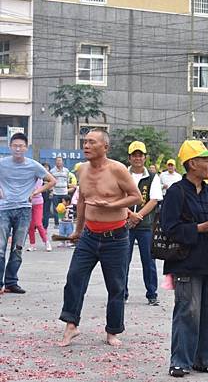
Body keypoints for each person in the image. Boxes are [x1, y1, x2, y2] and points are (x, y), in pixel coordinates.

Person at [58, 129, 142, 347]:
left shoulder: (118, 170)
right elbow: (82, 202)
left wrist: (112, 204)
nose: (86, 145)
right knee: (74, 278)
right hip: (89, 236)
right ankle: (71, 325)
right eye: (85, 142)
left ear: (105, 147)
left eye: (92, 142)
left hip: (116, 237)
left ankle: (112, 331)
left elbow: (137, 197)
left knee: (116, 286)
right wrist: (78, 230)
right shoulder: (82, 169)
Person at [160, 140, 208, 377]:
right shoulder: (176, 192)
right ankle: (180, 361)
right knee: (188, 310)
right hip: (186, 261)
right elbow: (169, 228)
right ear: (192, 164)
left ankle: (203, 359)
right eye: (205, 159)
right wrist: (199, 228)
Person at [0, 133, 56, 295]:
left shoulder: (33, 165)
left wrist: (36, 192)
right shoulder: (2, 163)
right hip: (4, 209)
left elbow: (52, 181)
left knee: (17, 248)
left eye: (21, 146)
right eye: (15, 145)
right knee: (1, 248)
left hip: (24, 209)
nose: (18, 148)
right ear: (10, 147)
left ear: (26, 148)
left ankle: (11, 282)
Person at [125, 141, 163, 305]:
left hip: (146, 225)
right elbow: (117, 197)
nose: (137, 158)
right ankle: (121, 292)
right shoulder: (123, 174)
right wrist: (129, 215)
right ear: (129, 158)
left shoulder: (153, 177)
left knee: (148, 260)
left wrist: (137, 215)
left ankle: (151, 293)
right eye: (134, 155)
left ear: (145, 157)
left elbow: (154, 200)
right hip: (124, 224)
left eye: (140, 155)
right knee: (121, 261)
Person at [27, 178, 52, 252]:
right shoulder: (26, 176)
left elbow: (36, 189)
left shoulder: (39, 179)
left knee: (38, 223)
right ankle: (32, 244)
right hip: (28, 202)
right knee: (30, 225)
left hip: (38, 202)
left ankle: (46, 242)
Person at [50, 157, 75, 227]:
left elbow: (67, 181)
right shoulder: (52, 171)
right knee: (56, 209)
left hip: (64, 192)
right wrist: (51, 191)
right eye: (57, 161)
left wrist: (67, 188)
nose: (58, 162)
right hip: (56, 193)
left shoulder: (66, 171)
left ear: (62, 162)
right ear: (55, 162)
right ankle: (56, 223)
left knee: (65, 208)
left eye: (60, 161)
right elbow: (51, 182)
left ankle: (64, 222)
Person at [41, 163, 52, 230]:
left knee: (46, 211)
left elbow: (53, 185)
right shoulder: (39, 175)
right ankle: (38, 226)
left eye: (47, 167)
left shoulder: (50, 176)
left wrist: (52, 192)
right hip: (40, 194)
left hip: (48, 194)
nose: (45, 168)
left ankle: (45, 226)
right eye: (44, 167)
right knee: (40, 211)